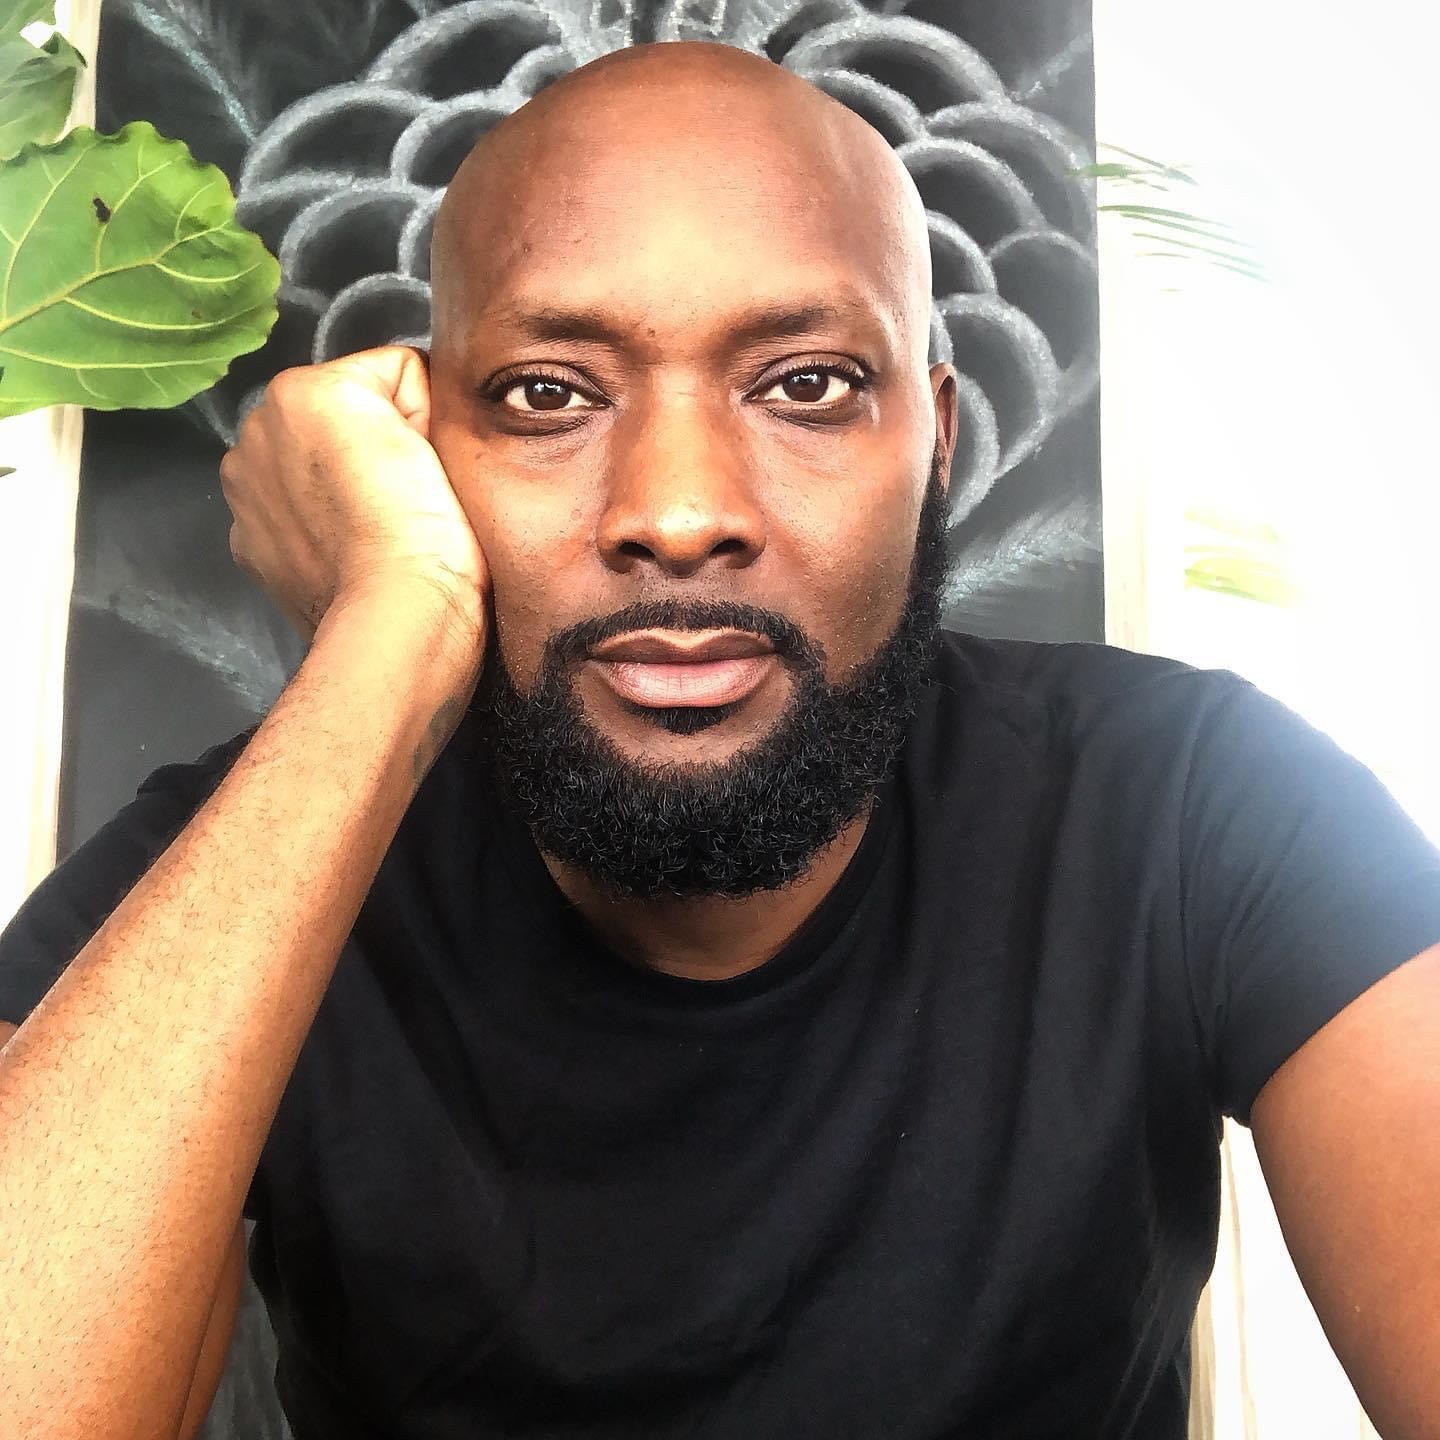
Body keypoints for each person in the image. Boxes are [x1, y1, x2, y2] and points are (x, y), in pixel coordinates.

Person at [1, 37, 1438, 1440]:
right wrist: (386, 633)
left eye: (805, 383)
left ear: (934, 442)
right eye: (548, 396)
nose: (680, 511)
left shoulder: (1199, 809)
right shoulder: (234, 868)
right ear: (426, 454)